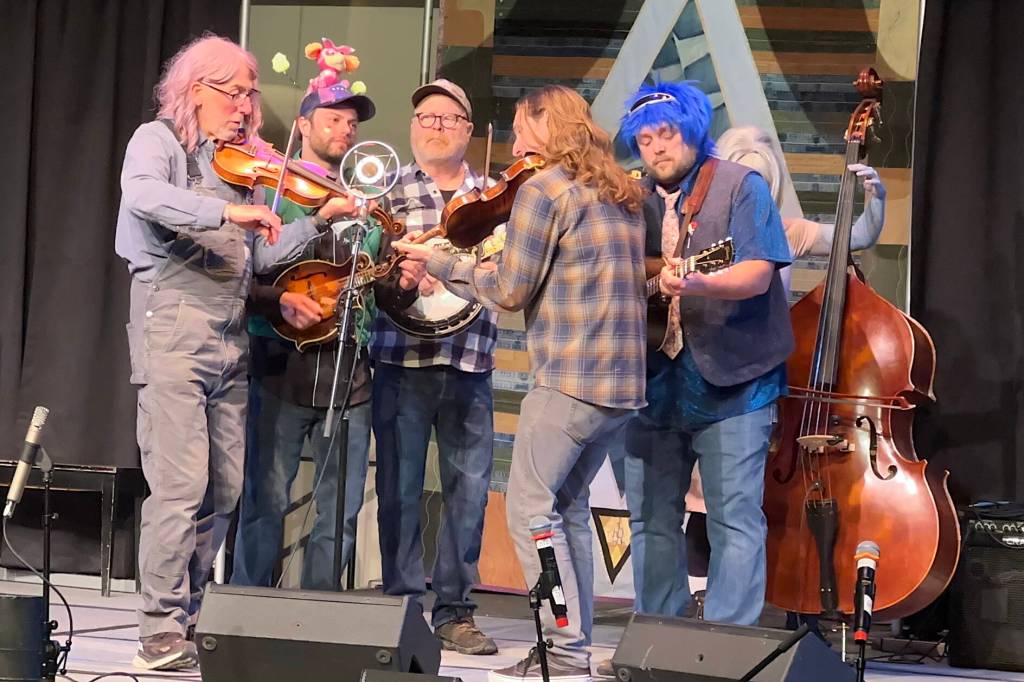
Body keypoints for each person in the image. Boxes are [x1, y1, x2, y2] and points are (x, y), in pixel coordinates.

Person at [114, 35, 361, 670]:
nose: (247, 108)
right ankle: (159, 626)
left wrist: (319, 220)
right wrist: (227, 212)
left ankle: (193, 614)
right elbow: (144, 197)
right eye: (236, 93)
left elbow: (262, 254)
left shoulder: (238, 164)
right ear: (196, 88)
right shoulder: (158, 142)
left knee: (225, 490)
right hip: (171, 328)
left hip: (228, 337)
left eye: (251, 95)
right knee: (179, 485)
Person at [396, 83, 647, 682]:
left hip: (568, 378)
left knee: (531, 514)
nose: (513, 143)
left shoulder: (544, 190)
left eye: (519, 128)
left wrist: (437, 262)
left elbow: (509, 290)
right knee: (565, 509)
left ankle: (561, 652)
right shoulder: (621, 191)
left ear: (545, 125)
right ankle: (572, 647)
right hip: (623, 388)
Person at [609, 81, 793, 661]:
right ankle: (661, 647)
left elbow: (759, 271)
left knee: (734, 518)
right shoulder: (627, 198)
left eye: (666, 133)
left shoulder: (742, 186)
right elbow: (611, 275)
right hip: (651, 381)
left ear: (691, 130)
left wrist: (700, 281)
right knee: (650, 519)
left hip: (736, 380)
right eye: (644, 138)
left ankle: (723, 654)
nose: (656, 147)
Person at [680, 124, 888, 594]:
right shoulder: (698, 230)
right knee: (696, 495)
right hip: (701, 367)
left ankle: (735, 610)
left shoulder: (785, 231)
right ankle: (692, 602)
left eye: (760, 183)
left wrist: (876, 199)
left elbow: (857, 236)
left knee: (739, 497)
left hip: (755, 374)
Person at [231, 83, 421, 591]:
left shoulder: (367, 206)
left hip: (350, 373)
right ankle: (245, 609)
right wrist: (281, 296)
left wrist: (400, 287)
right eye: (333, 119)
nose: (345, 130)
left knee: (340, 509)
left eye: (352, 124)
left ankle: (316, 613)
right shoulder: (272, 195)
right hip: (280, 368)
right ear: (304, 125)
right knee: (265, 500)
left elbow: (378, 292)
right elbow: (244, 276)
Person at [369, 78, 499, 656]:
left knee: (468, 491)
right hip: (401, 359)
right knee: (397, 486)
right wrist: (398, 280)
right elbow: (367, 276)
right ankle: (403, 604)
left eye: (449, 118)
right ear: (412, 126)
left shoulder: (497, 197)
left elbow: (512, 273)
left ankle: (454, 610)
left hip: (471, 361)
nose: (436, 126)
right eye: (425, 116)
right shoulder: (387, 195)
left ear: (468, 130)